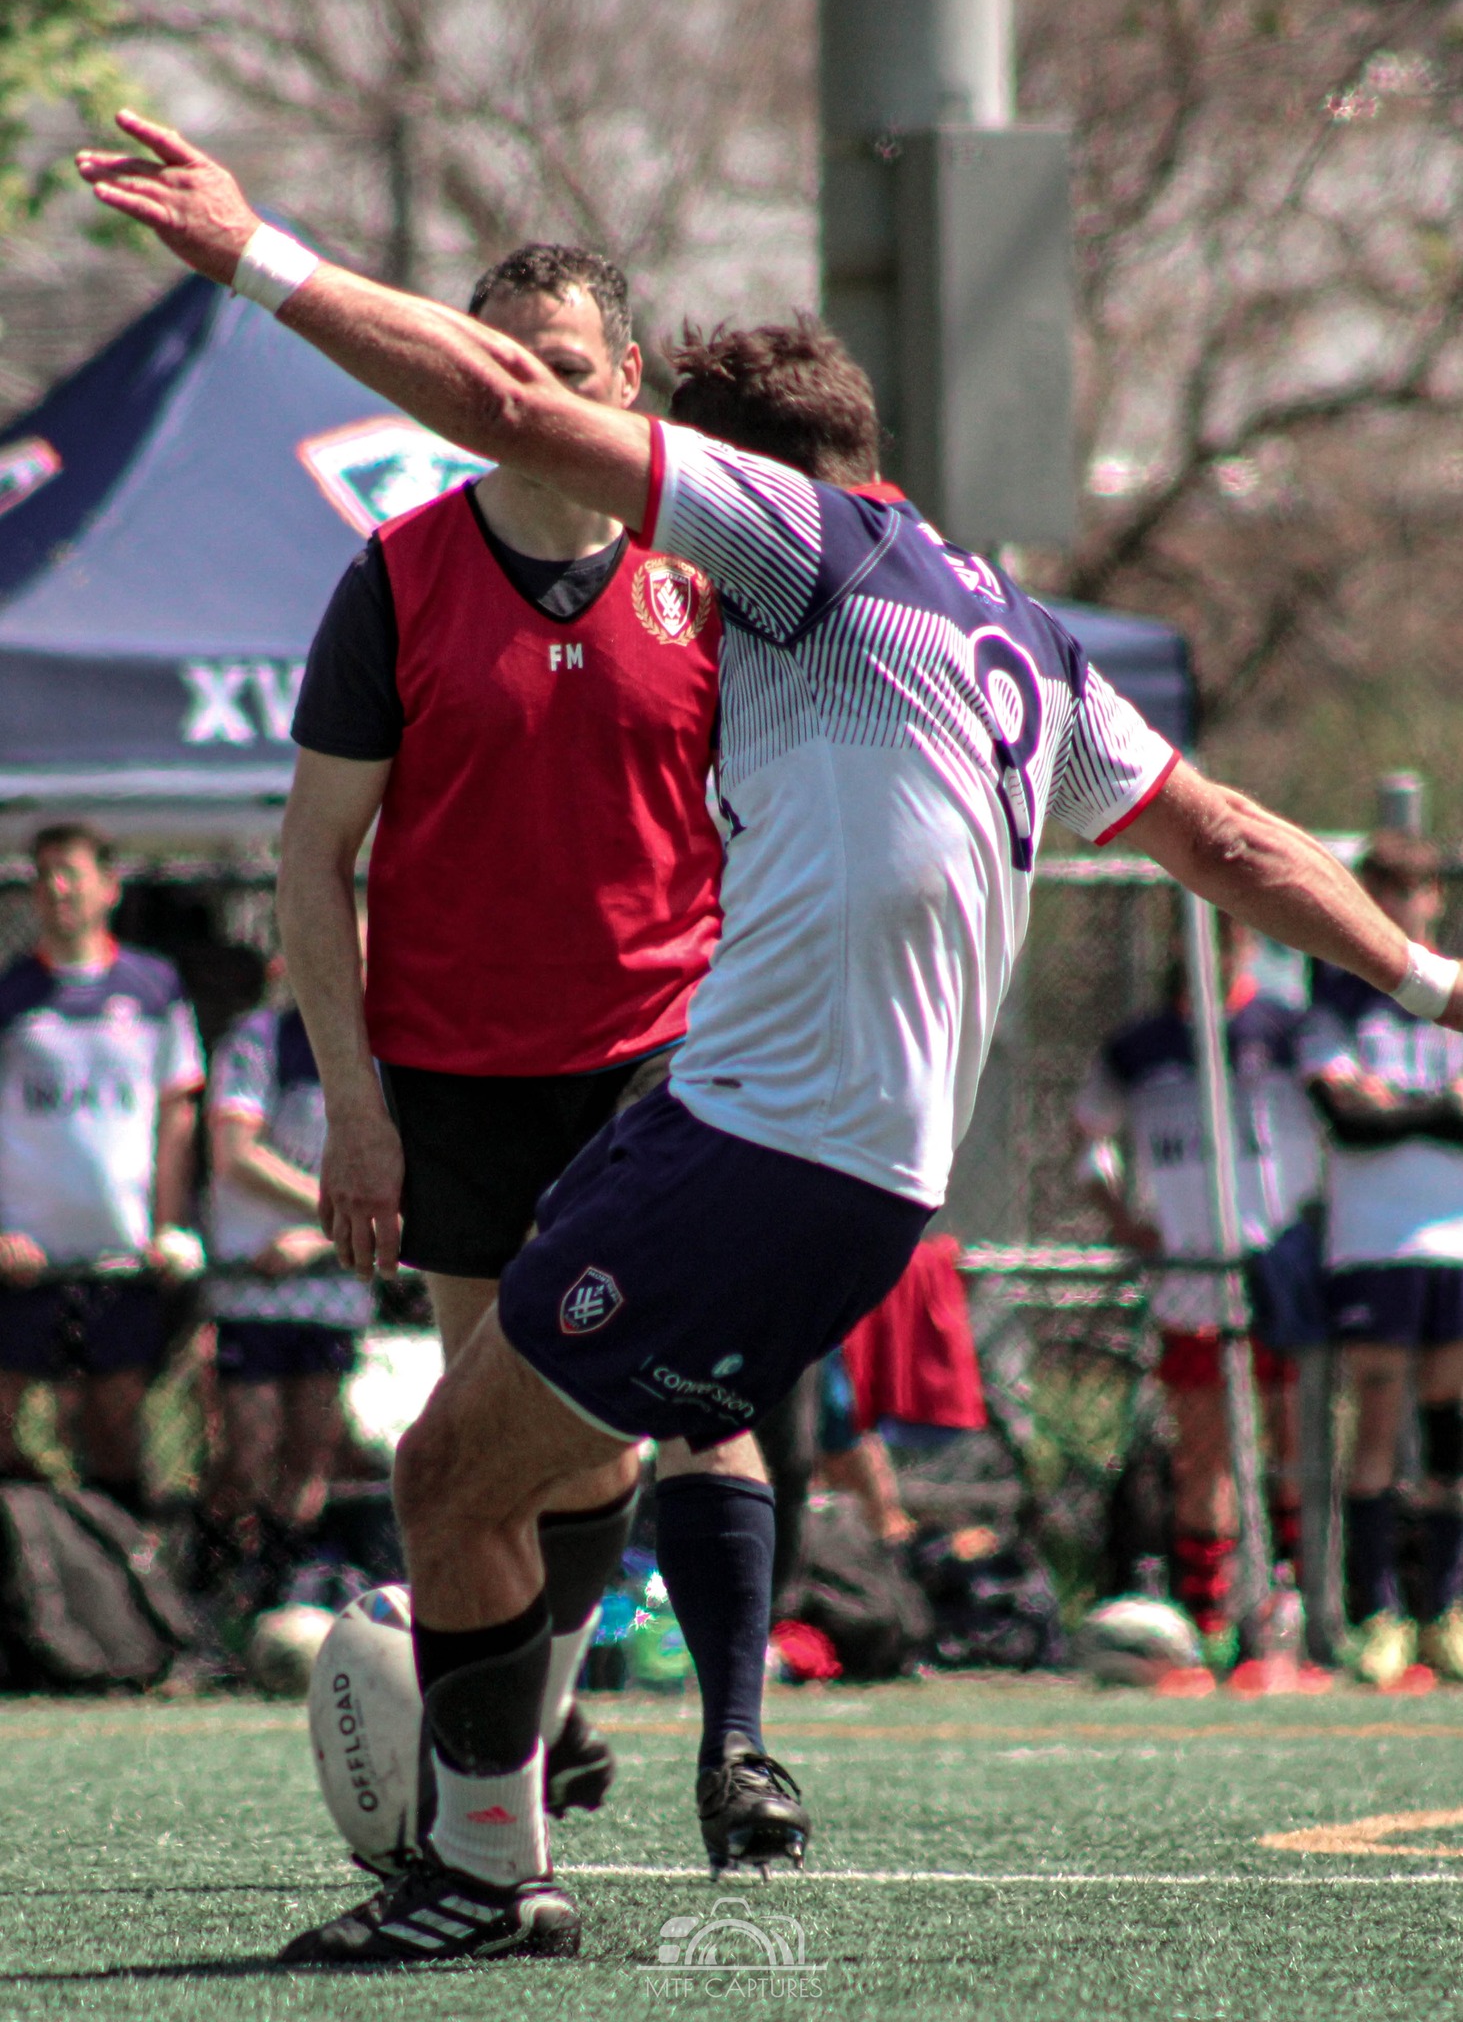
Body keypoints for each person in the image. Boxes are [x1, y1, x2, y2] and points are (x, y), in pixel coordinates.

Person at [80, 114, 1463, 1969]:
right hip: (848, 1172)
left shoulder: (789, 547)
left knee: (446, 1476)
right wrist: (1433, 985)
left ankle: (485, 1874)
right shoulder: (1017, 633)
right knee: (523, 1459)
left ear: (729, 471)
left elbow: (510, 411)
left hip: (753, 1143)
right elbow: (1230, 838)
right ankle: (531, 1821)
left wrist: (261, 256)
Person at [275, 243, 801, 1862]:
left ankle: (734, 1747)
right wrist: (354, 1114)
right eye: (496, 358)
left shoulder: (702, 573)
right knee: (500, 1439)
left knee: (681, 1399)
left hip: (661, 1064)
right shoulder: (395, 574)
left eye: (565, 362)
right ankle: (542, 1711)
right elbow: (310, 860)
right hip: (451, 1077)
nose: (530, 389)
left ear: (623, 380)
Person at [1073, 921, 1325, 1664]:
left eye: (1232, 939)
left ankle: (1293, 1601)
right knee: (1203, 1450)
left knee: (1290, 1433)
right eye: (1205, 940)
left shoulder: (1284, 1031)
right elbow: (1090, 1138)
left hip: (1274, 1262)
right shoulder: (1139, 1047)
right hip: (1188, 1273)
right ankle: (1209, 1620)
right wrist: (1122, 1215)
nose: (1219, 954)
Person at [1298, 829, 1463, 1686]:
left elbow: (1397, 1114)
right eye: (1387, 890)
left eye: (1418, 889)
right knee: (1375, 1424)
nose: (1405, 906)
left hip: (1454, 1240)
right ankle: (1377, 1615)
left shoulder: (1455, 998)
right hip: (1372, 1243)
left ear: (1436, 897)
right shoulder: (1335, 1003)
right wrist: (1435, 1107)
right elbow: (1347, 1119)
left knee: (1449, 1433)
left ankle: (1444, 1608)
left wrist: (1401, 1103)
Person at [0, 822, 203, 1515]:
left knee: (114, 1427)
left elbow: (177, 1114)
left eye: (73, 872)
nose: (58, 888)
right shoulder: (12, 993)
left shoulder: (155, 987)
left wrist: (169, 1224)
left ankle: (125, 1581)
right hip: (25, 1257)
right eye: (44, 874)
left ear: (109, 889)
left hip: (122, 1258)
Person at [200, 973, 374, 1602]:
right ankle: (208, 1592)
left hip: (332, 1288)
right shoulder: (259, 1038)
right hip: (252, 1285)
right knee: (248, 1449)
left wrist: (324, 1237)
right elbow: (236, 1153)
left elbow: (397, 1186)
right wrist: (333, 1208)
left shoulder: (386, 1052)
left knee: (311, 1454)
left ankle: (277, 1597)